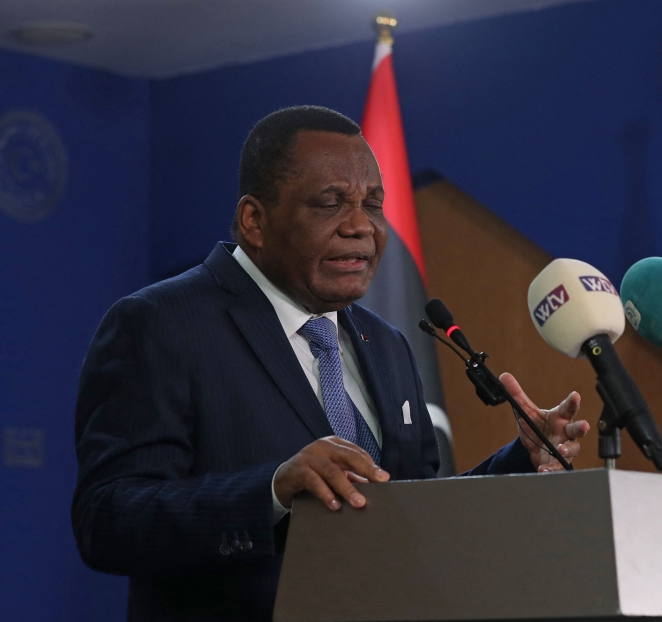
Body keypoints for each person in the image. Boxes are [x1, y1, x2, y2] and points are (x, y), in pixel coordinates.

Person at [72, 106, 590, 621]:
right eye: (330, 204)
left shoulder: (385, 343)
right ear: (255, 220)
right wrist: (274, 489)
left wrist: (519, 459)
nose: (361, 226)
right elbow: (108, 518)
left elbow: (411, 508)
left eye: (373, 203)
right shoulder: (161, 323)